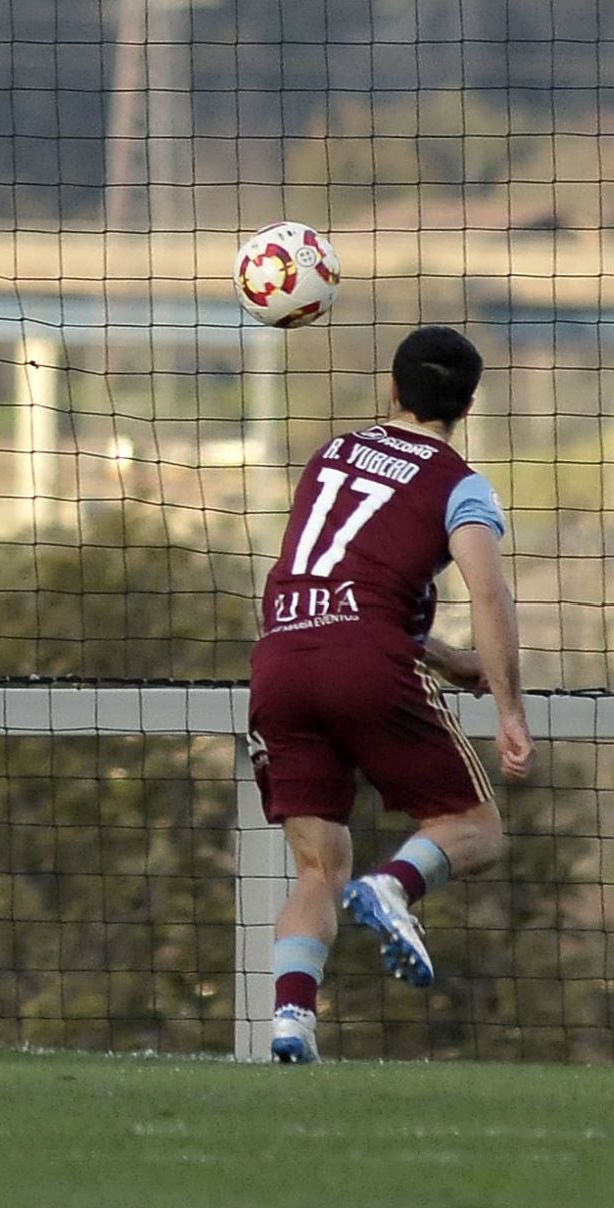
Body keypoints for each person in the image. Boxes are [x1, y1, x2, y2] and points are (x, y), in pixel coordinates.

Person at [249, 325, 534, 1064]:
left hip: (280, 657)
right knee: (474, 826)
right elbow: (491, 594)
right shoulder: (457, 482)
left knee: (316, 867)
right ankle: (396, 887)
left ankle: (289, 1022)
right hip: (367, 661)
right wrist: (508, 707)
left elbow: (337, 581)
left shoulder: (331, 455)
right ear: (467, 406)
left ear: (394, 389)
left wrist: (440, 657)